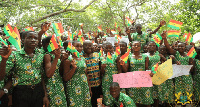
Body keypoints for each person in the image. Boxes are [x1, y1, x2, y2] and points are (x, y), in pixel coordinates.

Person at [0, 31, 49, 107]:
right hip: (21, 92)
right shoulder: (14, 55)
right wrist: (4, 60)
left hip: (38, 91)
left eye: (35, 38)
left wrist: (45, 95)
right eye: (30, 37)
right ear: (23, 40)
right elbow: (2, 76)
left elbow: (41, 75)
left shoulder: (40, 55)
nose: (33, 40)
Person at [161, 31, 194, 107]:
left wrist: (182, 66)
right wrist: (165, 38)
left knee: (188, 95)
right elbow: (168, 47)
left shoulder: (189, 57)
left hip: (187, 79)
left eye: (182, 46)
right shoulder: (176, 54)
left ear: (185, 47)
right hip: (178, 78)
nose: (180, 48)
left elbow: (191, 70)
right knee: (178, 95)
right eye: (178, 46)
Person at [124, 41, 153, 107]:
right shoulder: (129, 56)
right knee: (134, 100)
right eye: (134, 45)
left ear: (140, 47)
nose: (136, 46)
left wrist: (150, 73)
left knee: (147, 100)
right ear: (132, 47)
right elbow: (126, 70)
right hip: (133, 81)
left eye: (138, 45)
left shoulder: (145, 56)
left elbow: (146, 68)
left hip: (144, 81)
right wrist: (123, 64)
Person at [63, 41, 92, 107]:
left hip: (84, 86)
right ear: (71, 47)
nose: (79, 48)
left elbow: (86, 74)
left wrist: (89, 88)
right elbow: (65, 78)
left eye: (81, 46)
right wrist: (73, 68)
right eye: (77, 46)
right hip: (73, 87)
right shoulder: (68, 60)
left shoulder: (83, 59)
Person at [42, 36, 67, 107]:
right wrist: (56, 58)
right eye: (53, 42)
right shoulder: (47, 55)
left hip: (59, 84)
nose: (57, 44)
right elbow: (49, 74)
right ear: (47, 45)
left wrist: (62, 60)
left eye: (57, 42)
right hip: (51, 86)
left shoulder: (56, 55)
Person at [83, 40, 102, 107]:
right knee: (91, 103)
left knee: (99, 102)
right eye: (86, 46)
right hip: (88, 86)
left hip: (98, 85)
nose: (89, 47)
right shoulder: (81, 58)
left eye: (90, 45)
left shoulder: (97, 55)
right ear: (83, 47)